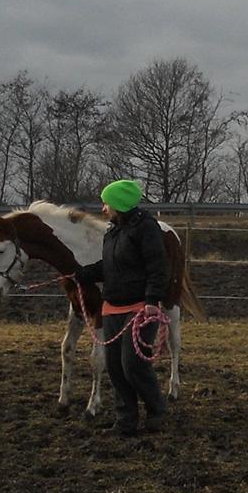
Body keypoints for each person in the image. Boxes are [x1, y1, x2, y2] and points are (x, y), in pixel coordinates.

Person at [76, 179, 169, 436]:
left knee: (133, 364)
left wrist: (152, 300)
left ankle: (156, 409)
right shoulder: (114, 232)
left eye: (107, 203)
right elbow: (110, 266)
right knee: (115, 367)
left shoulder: (146, 230)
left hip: (140, 308)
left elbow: (157, 267)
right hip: (113, 307)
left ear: (119, 204)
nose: (103, 209)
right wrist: (83, 274)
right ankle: (125, 419)